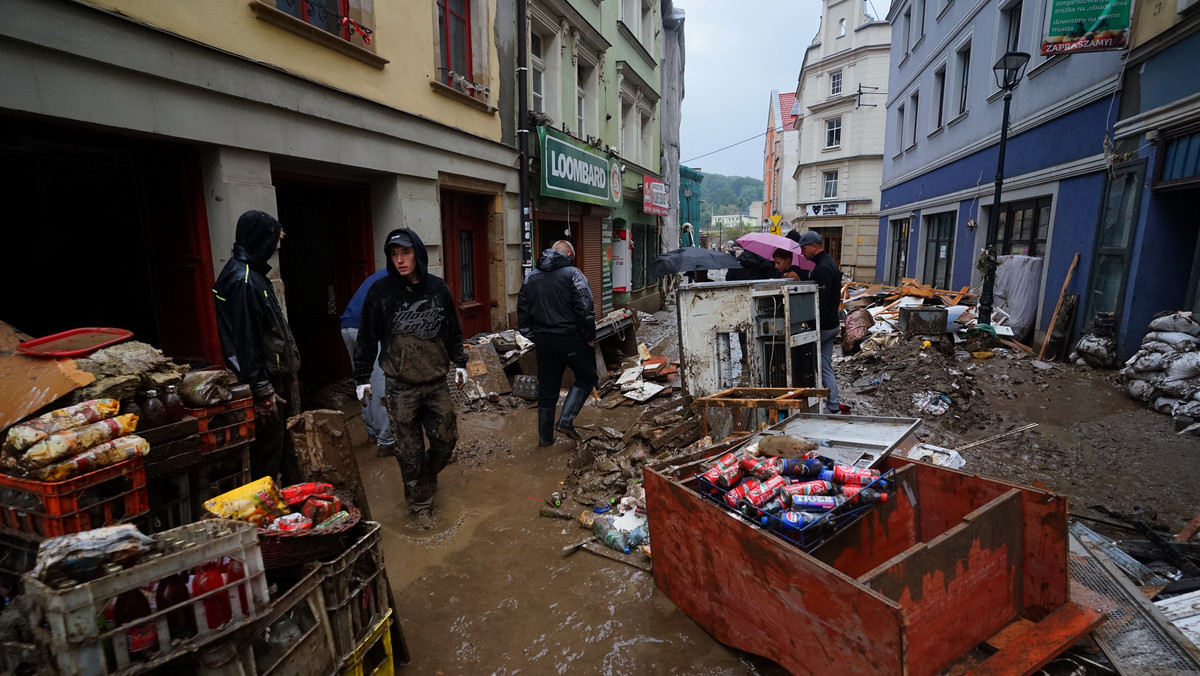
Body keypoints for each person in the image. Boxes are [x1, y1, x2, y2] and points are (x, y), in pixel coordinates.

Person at [354, 228, 468, 523]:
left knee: (445, 442)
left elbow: (452, 329)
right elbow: (367, 336)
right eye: (394, 254)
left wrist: (460, 363)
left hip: (435, 383)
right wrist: (362, 377)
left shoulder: (437, 288)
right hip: (400, 386)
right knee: (408, 451)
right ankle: (419, 504)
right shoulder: (380, 292)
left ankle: (425, 480)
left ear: (418, 252)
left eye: (405, 253)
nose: (400, 260)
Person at [212, 210, 303, 483]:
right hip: (264, 380)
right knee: (267, 451)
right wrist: (261, 389)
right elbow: (245, 339)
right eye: (273, 240)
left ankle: (293, 497)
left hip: (273, 375)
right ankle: (265, 510)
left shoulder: (254, 275)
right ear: (259, 240)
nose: (277, 246)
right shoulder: (243, 280)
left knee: (284, 447)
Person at [517, 240, 597, 447]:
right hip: (571, 339)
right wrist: (588, 336)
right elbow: (585, 308)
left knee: (547, 390)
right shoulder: (573, 274)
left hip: (544, 342)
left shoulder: (531, 278)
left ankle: (545, 441)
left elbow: (522, 310)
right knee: (587, 377)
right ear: (569, 254)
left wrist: (534, 336)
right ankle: (566, 420)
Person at [340, 269, 394, 457]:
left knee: (363, 381)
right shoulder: (401, 278)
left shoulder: (380, 274)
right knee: (382, 382)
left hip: (347, 326)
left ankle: (372, 433)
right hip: (367, 327)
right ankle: (386, 441)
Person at [795, 230, 849, 414]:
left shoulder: (822, 269)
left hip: (824, 326)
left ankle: (813, 402)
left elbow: (821, 302)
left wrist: (811, 324)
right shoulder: (829, 263)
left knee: (809, 363)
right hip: (832, 324)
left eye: (804, 249)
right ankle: (833, 403)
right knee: (824, 365)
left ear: (814, 246)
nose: (802, 252)